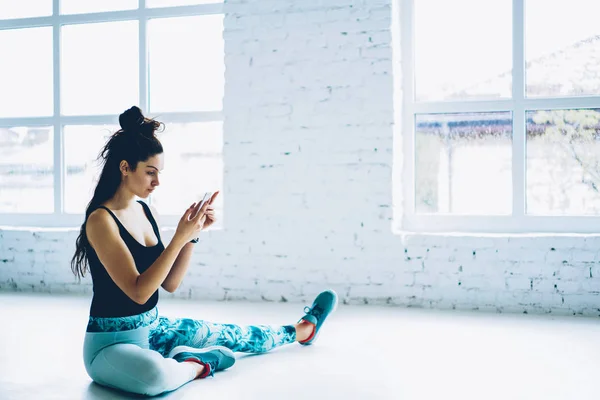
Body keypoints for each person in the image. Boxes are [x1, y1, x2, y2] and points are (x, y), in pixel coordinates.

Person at [70, 106, 338, 396]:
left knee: (233, 334)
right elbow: (138, 292)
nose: (157, 182)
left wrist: (192, 237)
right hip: (111, 345)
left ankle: (302, 330)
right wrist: (178, 238)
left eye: (158, 173)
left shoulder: (146, 210)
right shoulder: (100, 220)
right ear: (125, 168)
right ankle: (196, 364)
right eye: (150, 173)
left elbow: (170, 283)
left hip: (155, 328)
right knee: (154, 377)